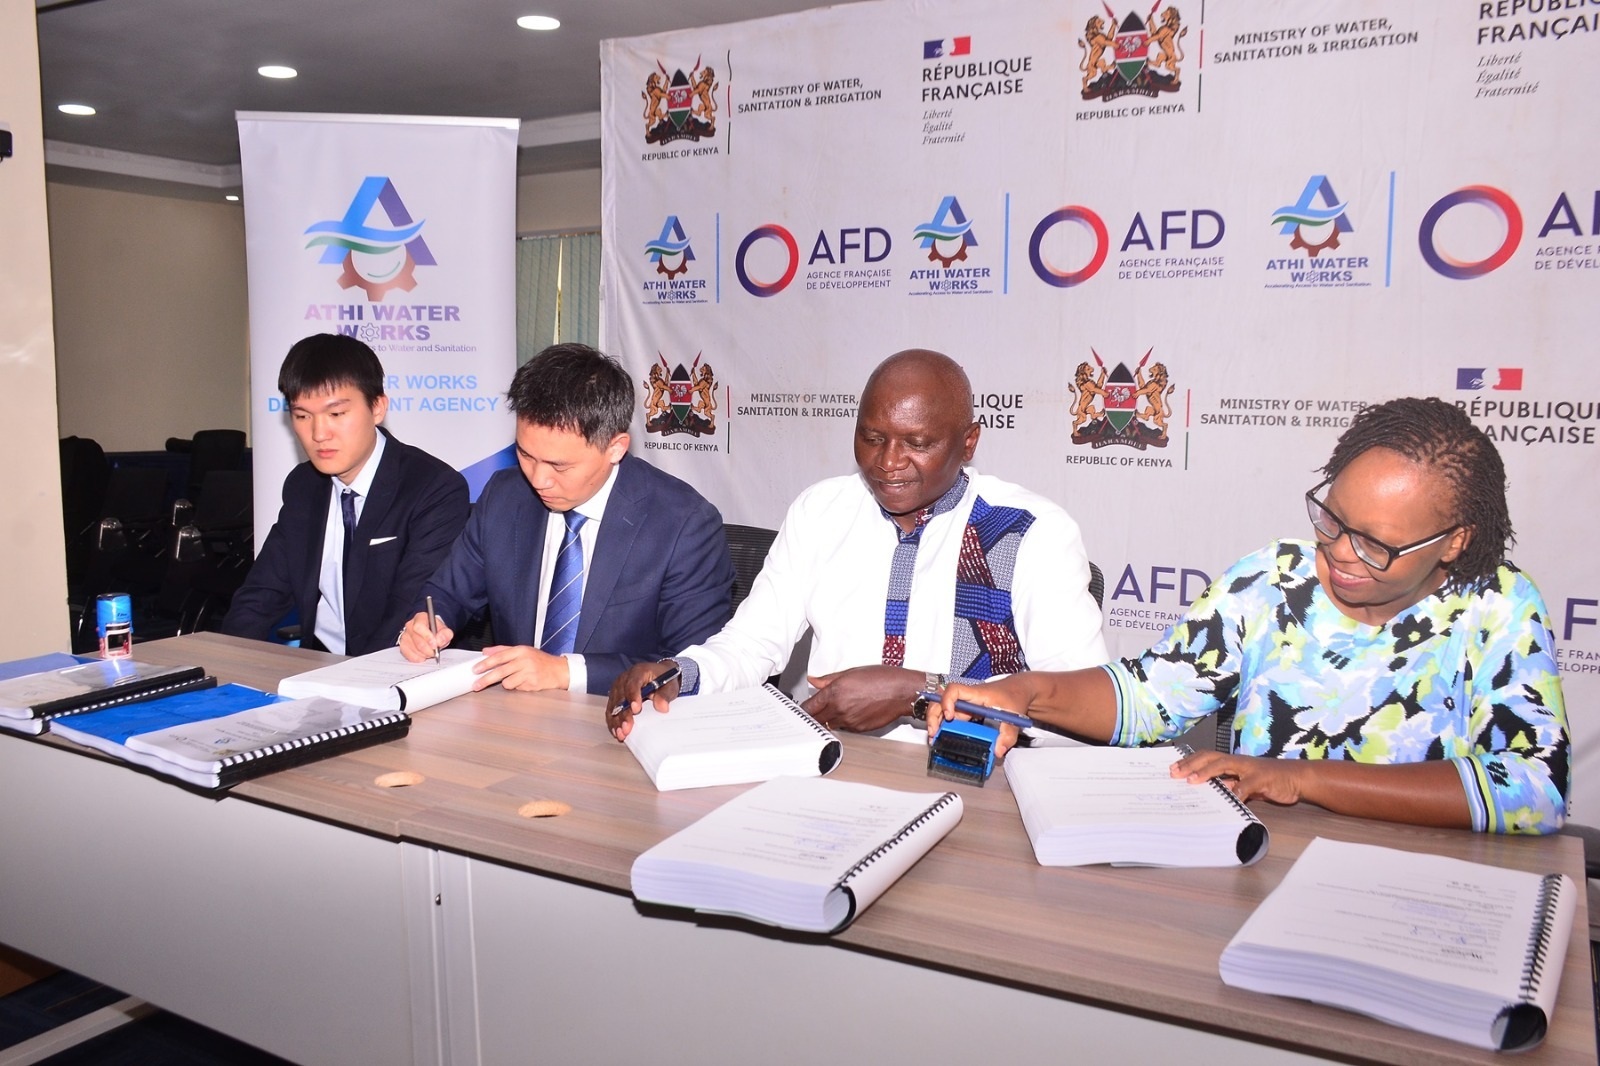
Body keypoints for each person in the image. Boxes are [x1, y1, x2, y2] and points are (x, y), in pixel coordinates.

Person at [930, 397, 1569, 835]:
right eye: (1332, 519)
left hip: (1423, 887)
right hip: (1265, 864)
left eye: (1376, 544)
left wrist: (1299, 779)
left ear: (1453, 542)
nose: (1341, 553)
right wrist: (1026, 691)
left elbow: (1533, 788)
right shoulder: (1273, 579)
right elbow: (1149, 698)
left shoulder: (1499, 606)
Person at [608, 348, 1107, 738]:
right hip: (830, 765)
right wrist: (680, 673)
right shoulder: (822, 510)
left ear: (969, 442)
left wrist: (921, 691)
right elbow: (753, 643)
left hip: (976, 784)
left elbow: (1082, 706)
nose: (888, 462)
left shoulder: (1031, 531)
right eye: (872, 437)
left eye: (917, 444)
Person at [399, 343, 735, 695]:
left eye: (559, 466)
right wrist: (428, 623)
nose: (538, 479)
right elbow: (447, 592)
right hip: (514, 713)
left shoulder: (684, 525)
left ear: (616, 448)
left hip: (622, 716)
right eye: (525, 455)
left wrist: (565, 672)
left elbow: (690, 668)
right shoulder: (505, 496)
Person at [223, 334, 469, 655]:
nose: (318, 434)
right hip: (318, 664)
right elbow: (261, 595)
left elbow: (410, 612)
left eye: (336, 414)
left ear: (377, 407)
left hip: (394, 667)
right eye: (302, 416)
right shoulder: (304, 485)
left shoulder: (433, 488)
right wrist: (226, 662)